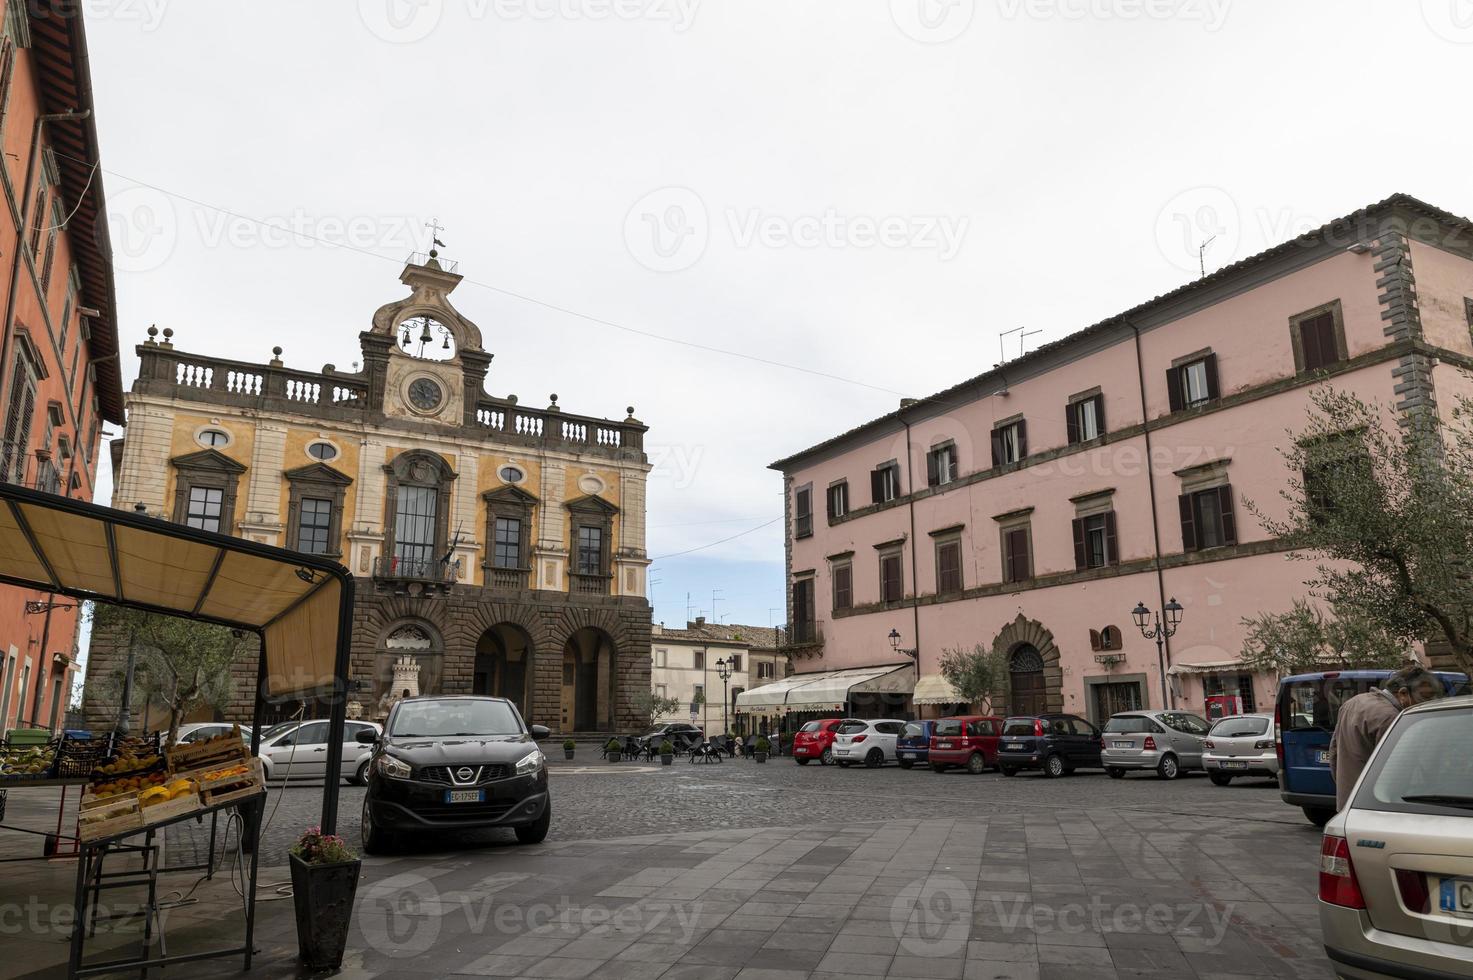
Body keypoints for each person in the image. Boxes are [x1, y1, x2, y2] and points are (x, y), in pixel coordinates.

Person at [1328, 665, 1443, 811]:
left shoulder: (1353, 703)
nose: (1429, 703)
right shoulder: (1392, 718)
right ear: (1403, 694)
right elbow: (1400, 774)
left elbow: (1334, 754)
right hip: (1377, 807)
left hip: (1349, 804)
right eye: (1425, 697)